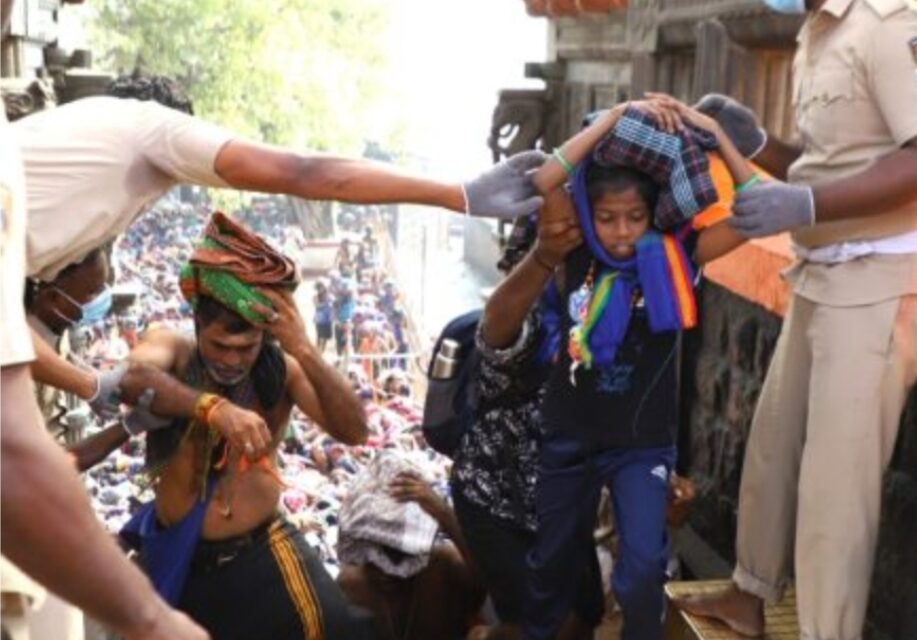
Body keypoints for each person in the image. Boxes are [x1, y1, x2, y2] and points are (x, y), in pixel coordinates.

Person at [670, 0, 917, 636]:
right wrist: (758, 146)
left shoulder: (889, 24)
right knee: (771, 450)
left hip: (874, 282)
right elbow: (830, 164)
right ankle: (750, 595)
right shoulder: (817, 30)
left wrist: (802, 202)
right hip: (818, 273)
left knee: (835, 493)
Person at [521, 98, 756, 640]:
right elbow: (545, 178)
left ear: (655, 215)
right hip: (567, 438)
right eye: (608, 218)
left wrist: (716, 132)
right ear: (589, 213)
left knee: (643, 570)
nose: (622, 232)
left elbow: (756, 211)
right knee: (549, 568)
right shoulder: (575, 245)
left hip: (642, 446)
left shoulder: (680, 254)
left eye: (635, 218)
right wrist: (615, 117)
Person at [100, 213, 376, 639]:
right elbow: (132, 380)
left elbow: (355, 431)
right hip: (179, 556)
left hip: (260, 548)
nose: (232, 359)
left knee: (334, 628)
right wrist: (213, 408)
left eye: (246, 347)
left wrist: (302, 346)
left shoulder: (283, 370)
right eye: (220, 345)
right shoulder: (172, 348)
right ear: (197, 326)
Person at [0, 91, 209, 640]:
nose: (92, 308)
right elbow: (47, 466)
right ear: (47, 289)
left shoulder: (54, 347)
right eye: (84, 297)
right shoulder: (24, 365)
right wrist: (120, 424)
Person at [337, 453, 485, 640]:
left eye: (397, 553)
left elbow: (490, 589)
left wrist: (446, 516)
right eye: (375, 553)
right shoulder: (350, 585)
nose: (386, 569)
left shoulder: (445, 565)